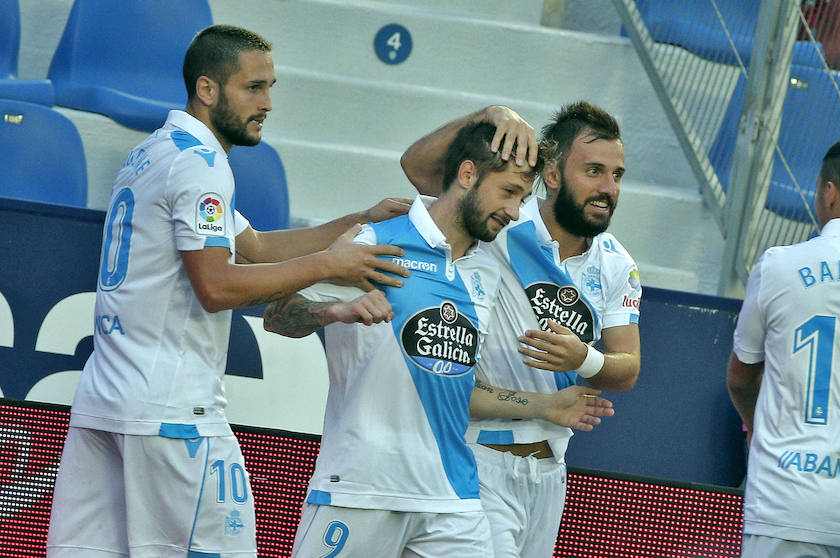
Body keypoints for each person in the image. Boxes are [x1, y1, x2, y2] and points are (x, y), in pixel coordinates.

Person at [45, 25, 413, 558]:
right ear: (208, 89)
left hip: (107, 401)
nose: (267, 103)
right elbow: (217, 286)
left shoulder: (154, 152)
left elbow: (257, 247)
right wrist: (328, 264)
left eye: (270, 87)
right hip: (172, 411)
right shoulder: (202, 165)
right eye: (254, 88)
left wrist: (359, 219)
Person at [263, 121, 614, 557]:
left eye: (522, 198)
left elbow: (457, 385)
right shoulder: (376, 242)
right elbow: (277, 317)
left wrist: (543, 406)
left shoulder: (487, 269)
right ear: (467, 175)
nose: (513, 210)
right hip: (363, 489)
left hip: (453, 499)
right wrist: (332, 311)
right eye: (507, 193)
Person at [400, 102, 642, 557]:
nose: (608, 188)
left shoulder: (617, 264)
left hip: (551, 473)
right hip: (480, 458)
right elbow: (416, 167)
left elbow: (627, 368)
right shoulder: (504, 219)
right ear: (552, 174)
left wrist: (583, 359)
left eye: (617, 175)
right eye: (593, 171)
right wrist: (488, 115)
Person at [727, 133, 840, 558]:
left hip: (786, 505)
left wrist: (758, 427)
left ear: (829, 192)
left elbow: (740, 379)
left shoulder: (778, 266)